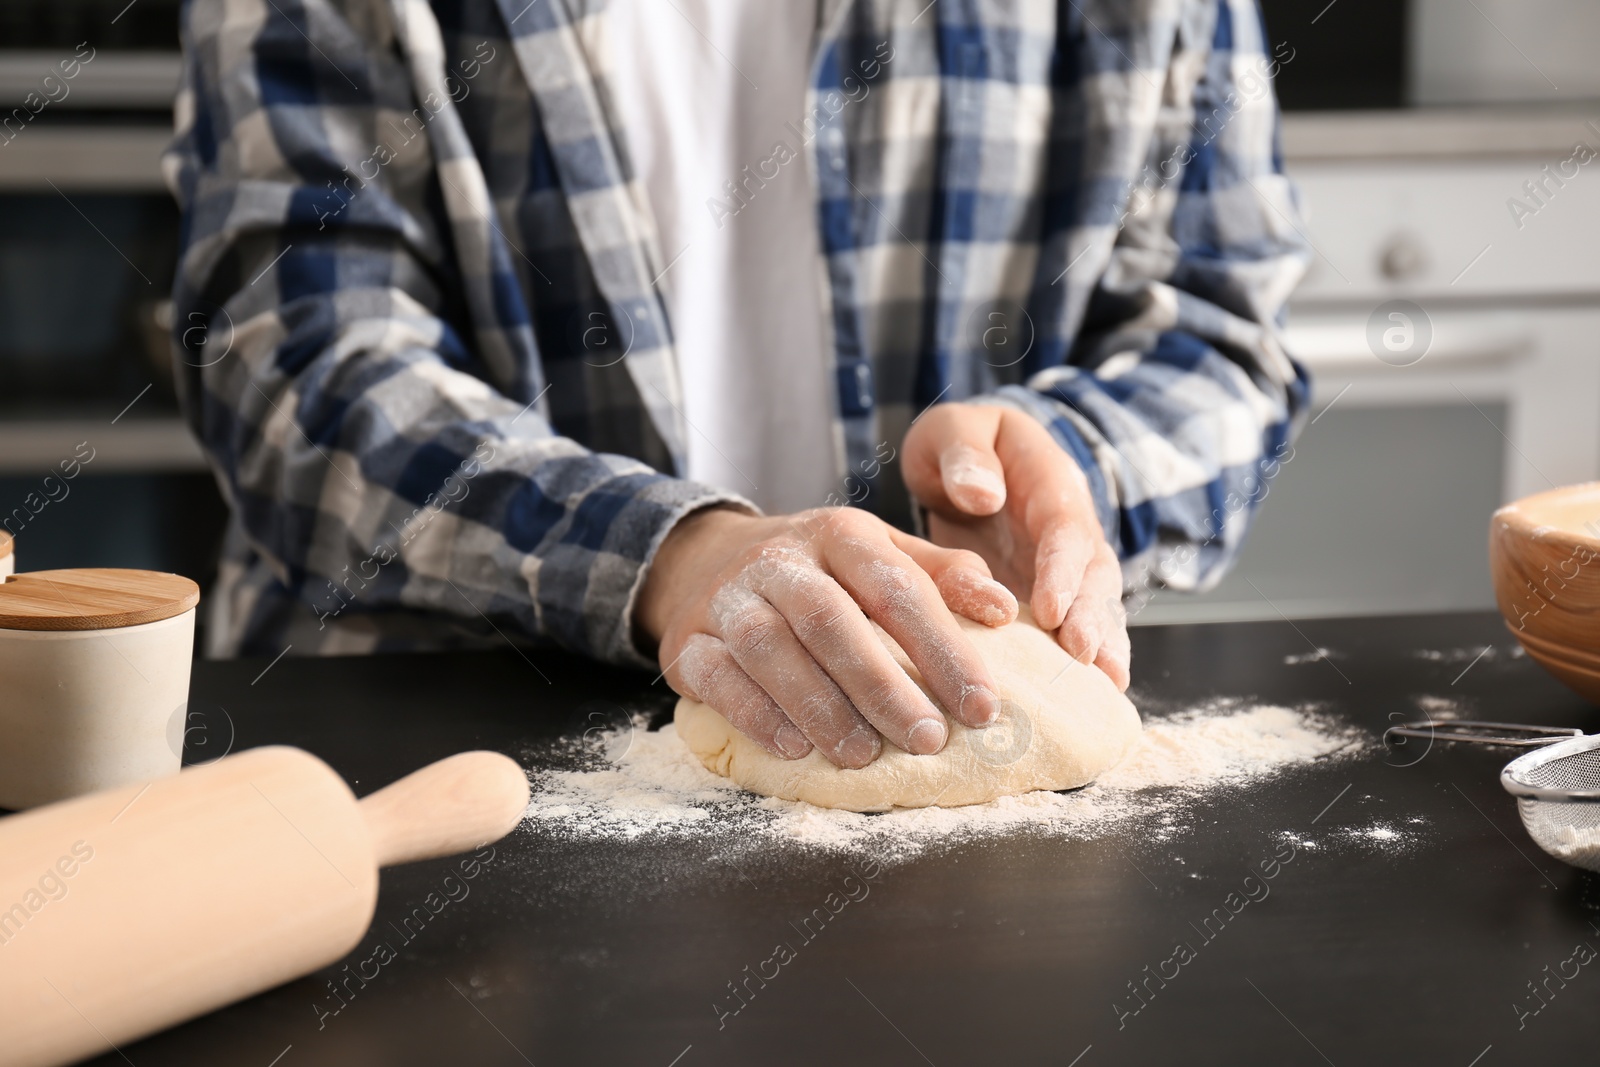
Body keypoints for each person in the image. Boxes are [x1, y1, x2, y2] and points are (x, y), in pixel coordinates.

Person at [165, 0, 1308, 769]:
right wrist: (668, 552)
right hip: (437, 758)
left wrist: (1069, 462)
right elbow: (293, 360)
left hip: (962, 752)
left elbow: (1219, 329)